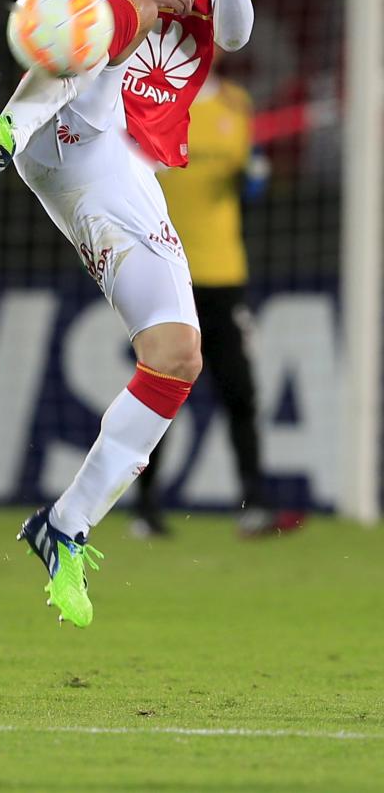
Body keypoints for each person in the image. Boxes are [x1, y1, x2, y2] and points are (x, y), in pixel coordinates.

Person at [0, 0, 259, 627]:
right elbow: (49, 15)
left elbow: (231, 36)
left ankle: (64, 524)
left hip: (119, 156)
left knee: (176, 354)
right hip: (61, 125)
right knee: (91, 19)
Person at [132, 68, 304, 538]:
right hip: (165, 271)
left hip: (224, 272)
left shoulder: (235, 103)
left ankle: (254, 505)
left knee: (240, 391)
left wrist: (254, 175)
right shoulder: (149, 97)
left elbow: (250, 183)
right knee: (160, 391)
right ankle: (144, 509)